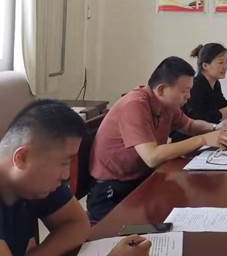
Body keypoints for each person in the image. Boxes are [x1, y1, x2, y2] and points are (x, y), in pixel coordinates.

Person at [87, 56, 227, 222]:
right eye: (184, 91)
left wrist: (216, 128)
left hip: (142, 178)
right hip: (112, 191)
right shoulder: (135, 105)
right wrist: (204, 140)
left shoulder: (166, 104)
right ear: (161, 89)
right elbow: (152, 157)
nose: (188, 96)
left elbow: (190, 125)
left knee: (195, 202)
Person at [0, 100, 149, 256]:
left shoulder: (33, 180)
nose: (66, 175)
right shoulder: (36, 178)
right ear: (22, 158)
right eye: (63, 163)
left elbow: (77, 224)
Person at [171, 43, 227, 142]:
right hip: (188, 139)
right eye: (221, 62)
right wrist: (225, 111)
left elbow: (220, 102)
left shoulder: (215, 83)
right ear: (205, 65)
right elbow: (197, 119)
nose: (225, 67)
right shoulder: (196, 86)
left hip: (208, 133)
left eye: (226, 62)